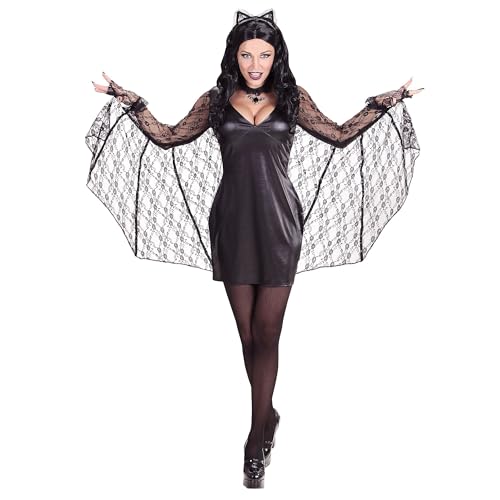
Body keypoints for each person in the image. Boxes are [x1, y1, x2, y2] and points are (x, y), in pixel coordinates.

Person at [88, 8, 423, 488]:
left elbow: (339, 134)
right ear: (234, 56)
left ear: (276, 56)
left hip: (279, 223)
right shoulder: (215, 100)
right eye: (247, 55)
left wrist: (388, 100)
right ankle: (269, 413)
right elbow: (168, 137)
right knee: (247, 336)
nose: (255, 64)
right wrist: (130, 99)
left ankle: (255, 438)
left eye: (264, 55)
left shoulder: (293, 98)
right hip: (232, 223)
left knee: (267, 333)